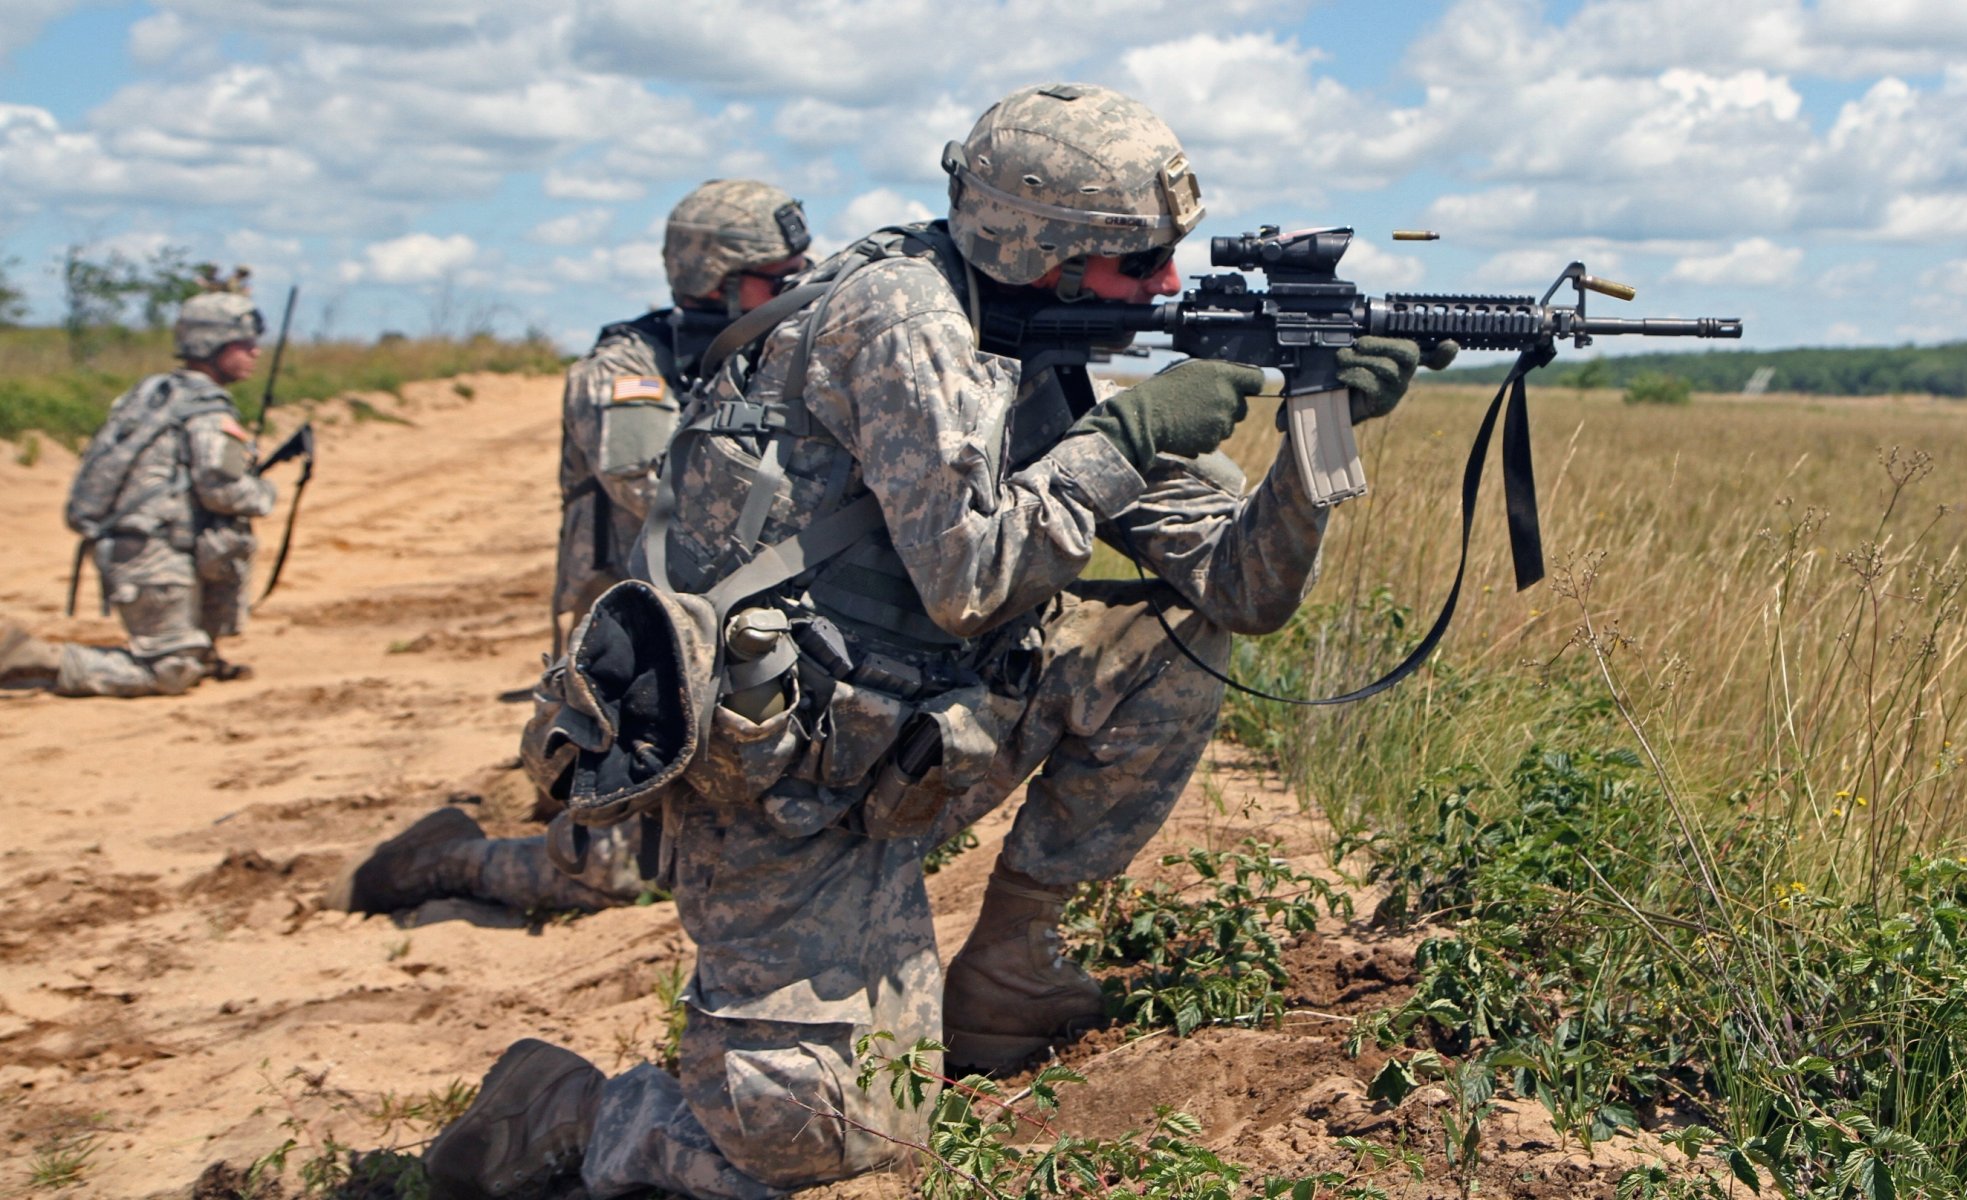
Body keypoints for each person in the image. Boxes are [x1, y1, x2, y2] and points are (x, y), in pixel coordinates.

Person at [424, 83, 1442, 1200]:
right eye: (1136, 263)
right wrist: (1130, 432)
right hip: (783, 798)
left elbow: (1239, 589)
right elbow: (972, 577)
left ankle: (1010, 971)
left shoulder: (1038, 346)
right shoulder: (901, 321)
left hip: (914, 747)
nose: (1165, 287)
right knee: (818, 1147)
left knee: (1165, 623)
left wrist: (1316, 439)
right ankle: (568, 1109)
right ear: (1043, 253)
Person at [327, 180, 814, 920]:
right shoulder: (626, 373)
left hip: (716, 636)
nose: (798, 290)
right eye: (779, 280)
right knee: (635, 872)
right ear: (717, 280)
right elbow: (664, 491)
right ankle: (453, 862)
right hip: (639, 656)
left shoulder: (756, 353)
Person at [0, 288, 276, 697]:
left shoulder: (155, 395)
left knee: (189, 656)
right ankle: (24, 658)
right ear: (212, 345)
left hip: (141, 547)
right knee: (170, 672)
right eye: (245, 344)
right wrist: (264, 492)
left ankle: (192, 650)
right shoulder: (205, 410)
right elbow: (223, 492)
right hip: (154, 555)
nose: (255, 353)